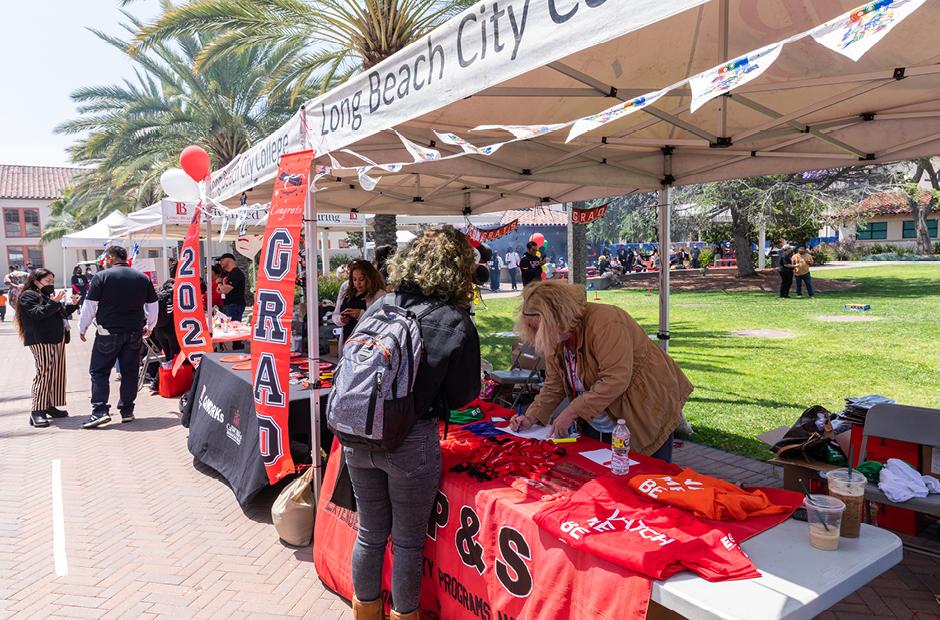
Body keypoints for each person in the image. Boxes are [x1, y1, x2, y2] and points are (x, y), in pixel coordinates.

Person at [345, 226, 480, 620]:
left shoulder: (381, 306)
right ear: (458, 269)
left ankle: (365, 612)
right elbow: (463, 397)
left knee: (369, 534)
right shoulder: (454, 320)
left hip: (359, 433)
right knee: (406, 543)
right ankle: (404, 614)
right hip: (410, 441)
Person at [509, 281, 692, 462]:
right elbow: (553, 385)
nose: (536, 333)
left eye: (538, 326)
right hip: (600, 419)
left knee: (644, 477)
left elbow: (616, 379)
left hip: (646, 411)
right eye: (531, 328)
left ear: (557, 316)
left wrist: (572, 411)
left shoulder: (606, 322)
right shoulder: (555, 336)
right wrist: (531, 417)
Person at [79, 246, 159, 428]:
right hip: (134, 333)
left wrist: (82, 327)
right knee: (130, 372)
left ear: (110, 258)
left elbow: (90, 305)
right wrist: (150, 326)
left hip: (108, 333)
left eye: (104, 259)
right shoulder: (142, 278)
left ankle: (99, 411)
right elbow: (153, 305)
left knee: (99, 372)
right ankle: (127, 410)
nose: (103, 262)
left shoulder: (102, 277)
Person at [16, 269, 80, 428]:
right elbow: (37, 314)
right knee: (44, 373)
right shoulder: (28, 295)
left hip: (56, 339)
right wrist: (54, 302)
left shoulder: (44, 295)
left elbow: (59, 312)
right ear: (36, 281)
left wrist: (72, 305)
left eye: (52, 281)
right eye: (47, 281)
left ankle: (49, 405)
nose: (51, 284)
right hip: (41, 340)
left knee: (56, 373)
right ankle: (37, 410)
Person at [332, 259, 386, 341]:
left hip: (367, 342)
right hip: (347, 339)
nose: (357, 283)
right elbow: (335, 315)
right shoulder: (345, 287)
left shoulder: (379, 294)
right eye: (354, 279)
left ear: (370, 278)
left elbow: (381, 322)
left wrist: (360, 314)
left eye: (361, 279)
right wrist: (341, 319)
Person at [216, 253, 247, 322]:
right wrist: (221, 286)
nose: (220, 263)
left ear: (229, 260)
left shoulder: (236, 273)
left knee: (232, 325)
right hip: (227, 304)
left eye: (222, 260)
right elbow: (219, 290)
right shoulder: (226, 274)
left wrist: (219, 283)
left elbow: (225, 290)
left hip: (235, 305)